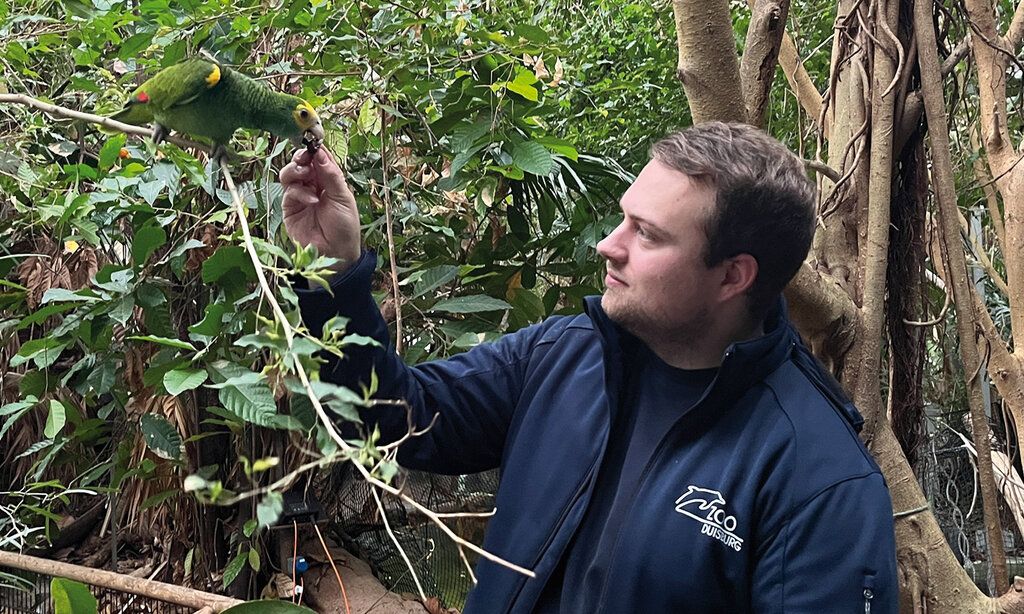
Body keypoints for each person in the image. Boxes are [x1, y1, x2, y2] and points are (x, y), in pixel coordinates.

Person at [279, 121, 898, 613]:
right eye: (623, 218)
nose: (609, 244)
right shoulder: (564, 356)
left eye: (647, 234)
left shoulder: (819, 479)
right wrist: (335, 278)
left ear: (733, 276)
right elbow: (393, 417)